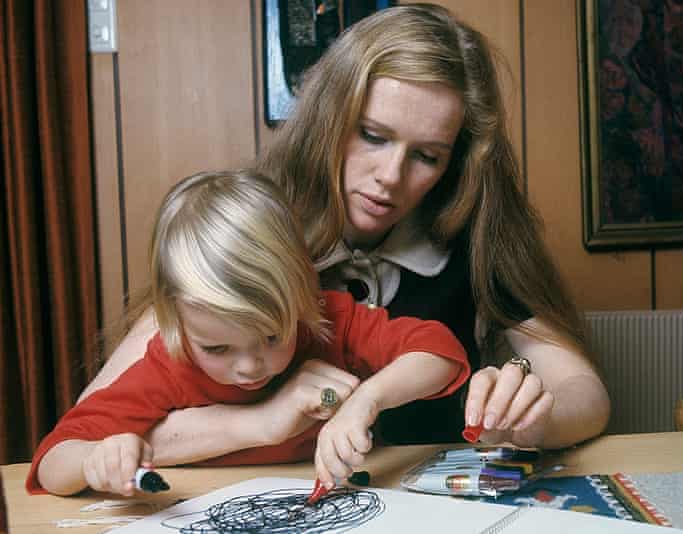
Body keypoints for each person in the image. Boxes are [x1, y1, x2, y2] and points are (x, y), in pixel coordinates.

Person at [80, 3, 609, 460]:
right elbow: (87, 436)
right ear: (329, 119)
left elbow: (583, 392)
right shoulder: (252, 234)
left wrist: (533, 420)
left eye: (427, 156)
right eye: (373, 136)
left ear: (458, 161)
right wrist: (263, 421)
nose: (391, 177)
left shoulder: (475, 235)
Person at [28, 170, 469, 496]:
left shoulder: (327, 321)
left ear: (302, 294)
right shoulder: (169, 362)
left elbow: (440, 352)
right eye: (217, 347)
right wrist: (94, 460)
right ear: (173, 319)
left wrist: (361, 404)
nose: (250, 366)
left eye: (274, 335)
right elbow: (52, 462)